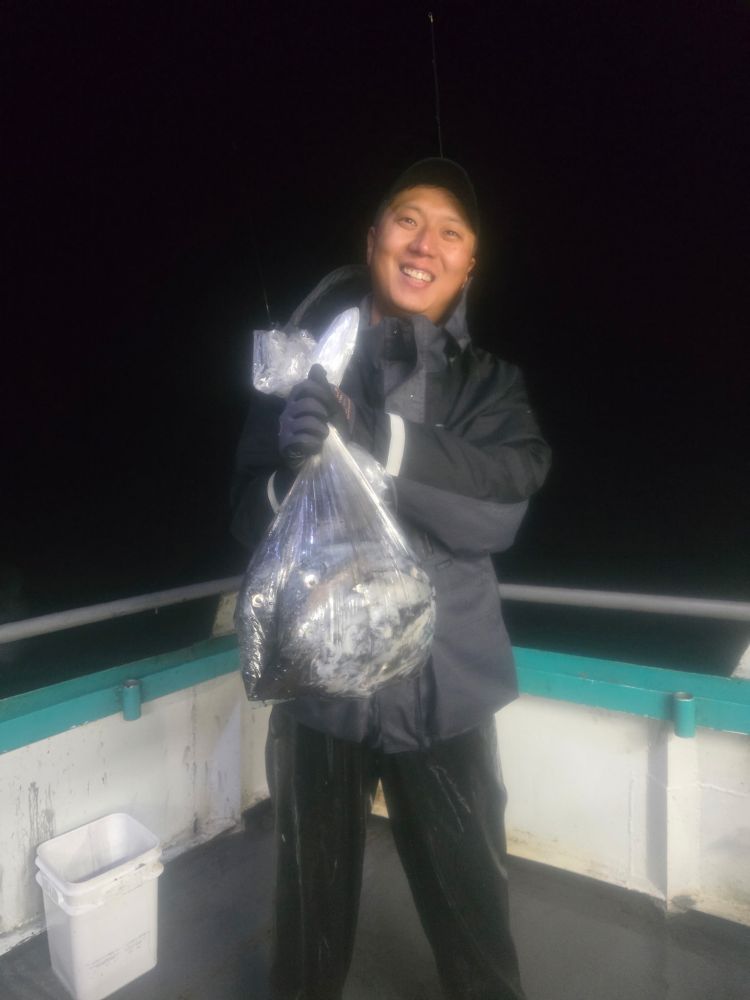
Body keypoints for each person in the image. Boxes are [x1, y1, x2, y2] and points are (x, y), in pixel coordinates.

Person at [230, 158, 551, 1000]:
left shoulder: (491, 388)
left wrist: (374, 439)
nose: (425, 243)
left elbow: (497, 515)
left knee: (473, 913)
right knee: (308, 914)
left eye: (450, 232)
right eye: (408, 220)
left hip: (445, 690)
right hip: (318, 691)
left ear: (469, 263)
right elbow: (244, 515)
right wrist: (289, 475)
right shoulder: (302, 371)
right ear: (372, 240)